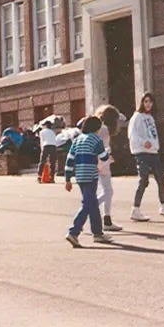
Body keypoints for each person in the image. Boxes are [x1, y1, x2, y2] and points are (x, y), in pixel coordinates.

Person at [63, 115, 114, 247]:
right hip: (91, 175)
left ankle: (97, 233)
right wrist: (109, 155)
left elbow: (69, 160)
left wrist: (67, 179)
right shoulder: (95, 140)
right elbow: (103, 157)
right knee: (88, 204)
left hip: (80, 176)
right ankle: (74, 232)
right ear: (96, 128)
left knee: (92, 204)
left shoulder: (77, 140)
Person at [127, 92, 164, 221]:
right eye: (146, 101)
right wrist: (143, 143)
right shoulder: (137, 117)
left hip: (153, 153)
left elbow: (153, 134)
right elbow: (132, 134)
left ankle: (163, 206)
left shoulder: (150, 118)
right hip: (142, 153)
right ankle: (135, 209)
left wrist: (155, 146)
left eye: (150, 102)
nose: (148, 104)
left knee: (161, 180)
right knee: (144, 181)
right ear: (141, 102)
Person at [94, 104, 129, 230]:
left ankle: (107, 220)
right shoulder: (104, 130)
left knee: (107, 191)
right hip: (101, 163)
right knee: (108, 191)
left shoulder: (100, 128)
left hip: (99, 162)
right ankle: (89, 210)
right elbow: (100, 147)